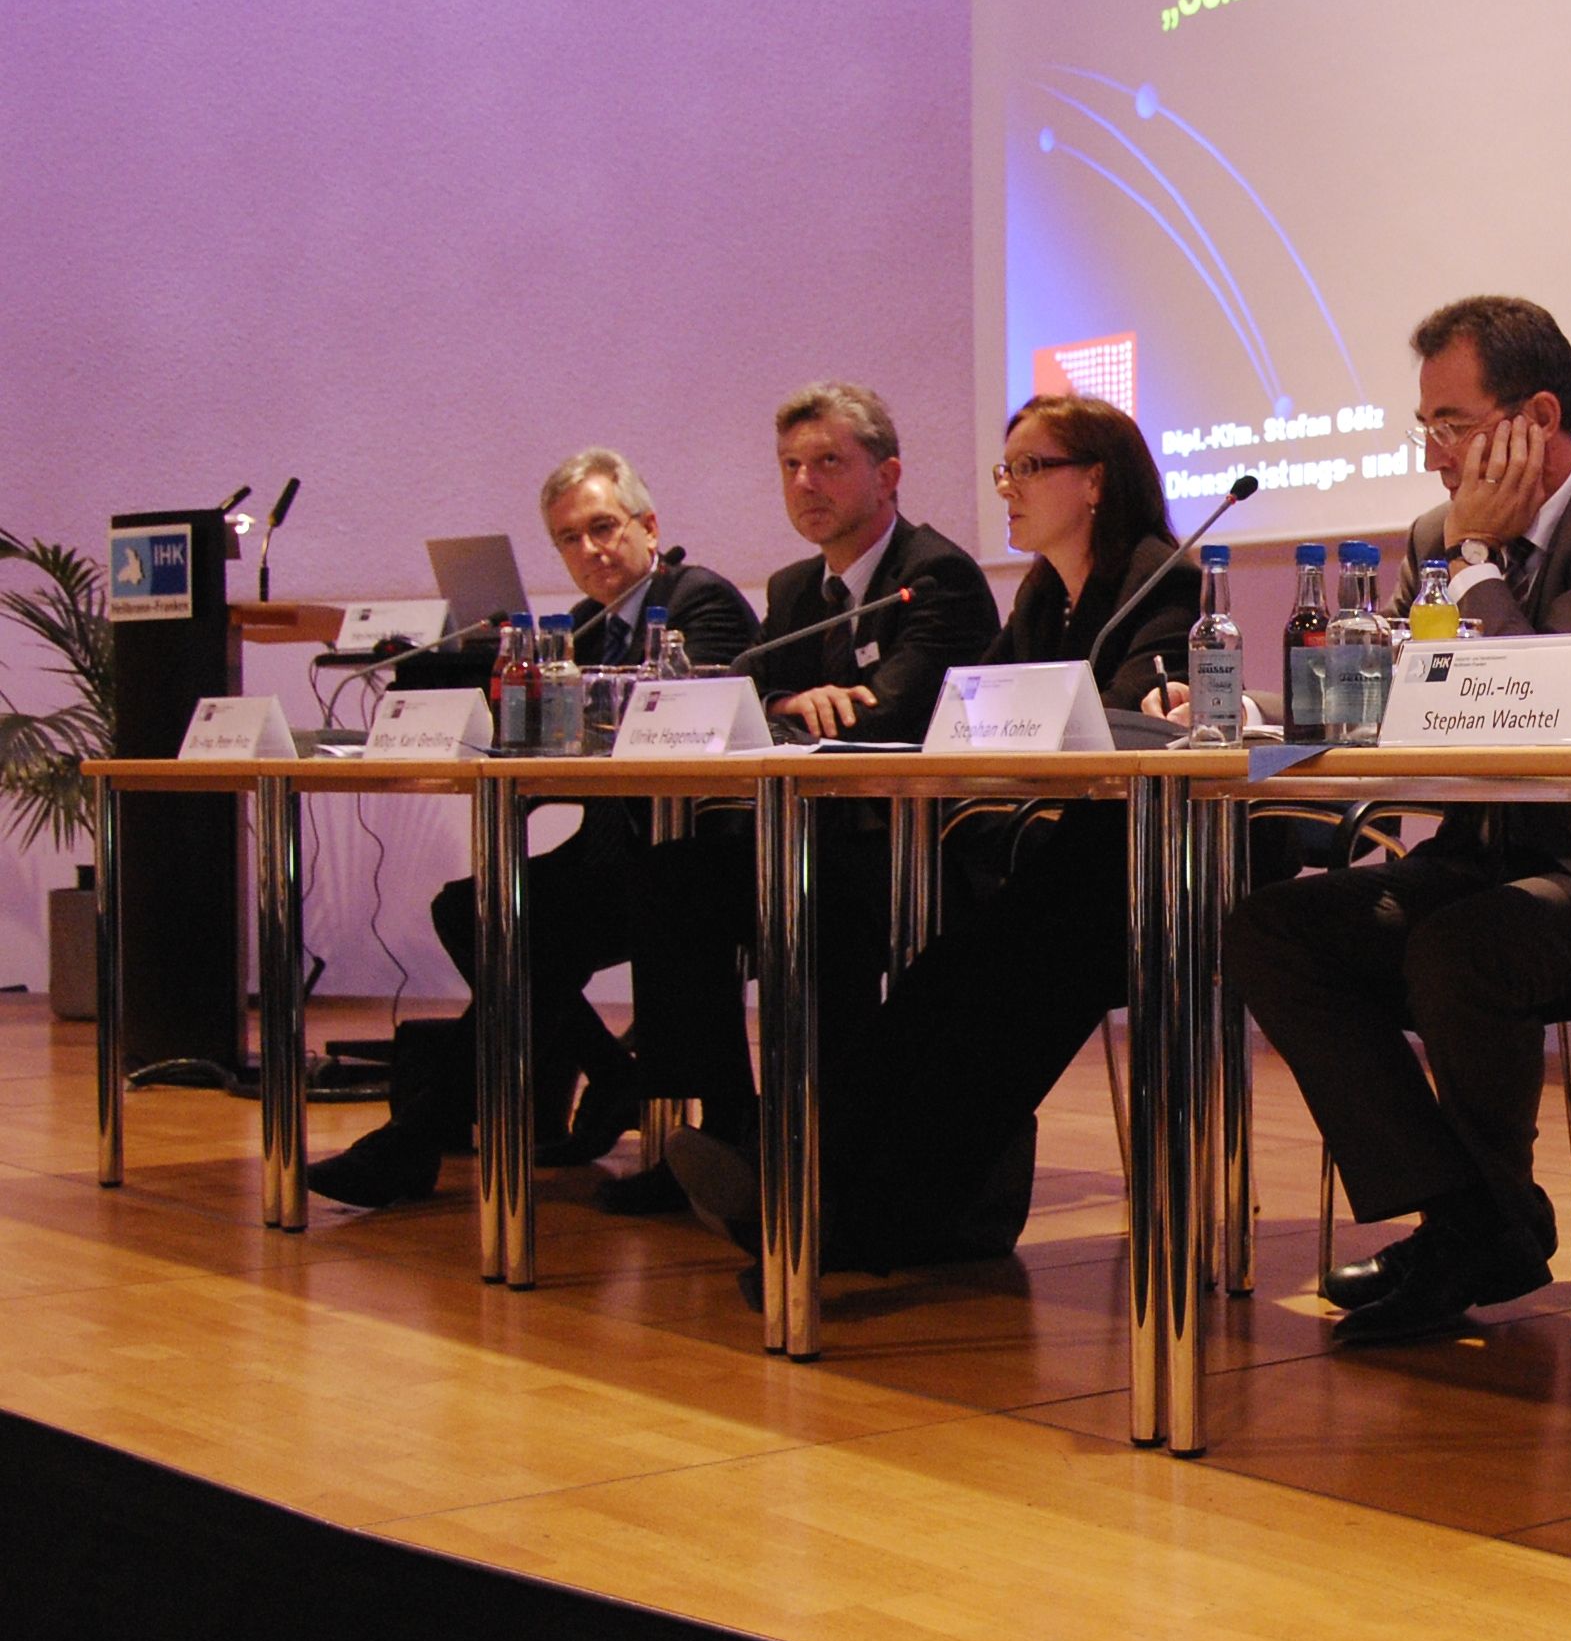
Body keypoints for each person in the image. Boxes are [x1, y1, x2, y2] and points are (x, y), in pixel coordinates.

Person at [1225, 296, 1571, 1344]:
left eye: (1452, 424)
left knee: (1463, 946)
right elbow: (1404, 698)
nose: (1435, 456)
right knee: (1275, 925)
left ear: (1537, 417)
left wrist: (1477, 558)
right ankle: (1473, 1217)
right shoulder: (1429, 537)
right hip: (1475, 858)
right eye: (1426, 427)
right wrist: (1248, 717)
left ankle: (1470, 1231)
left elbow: (1544, 712)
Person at [664, 395, 1196, 1276]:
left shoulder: (1159, 580)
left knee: (986, 996)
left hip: (1139, 877)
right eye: (1005, 469)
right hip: (1056, 869)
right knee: (937, 989)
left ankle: (839, 1213)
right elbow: (966, 711)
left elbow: (1122, 724)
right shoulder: (1044, 594)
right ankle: (814, 1192)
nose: (1008, 487)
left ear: (1095, 482)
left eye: (1030, 468)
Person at [307, 447, 756, 1208]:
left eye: (603, 527)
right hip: (612, 857)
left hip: (688, 857)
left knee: (528, 943)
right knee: (475, 909)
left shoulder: (698, 600)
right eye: (569, 539)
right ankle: (607, 1075)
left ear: (649, 526)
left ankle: (416, 1139)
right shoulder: (578, 628)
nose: (590, 550)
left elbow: (680, 721)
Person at [607, 380, 1000, 1214]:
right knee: (670, 879)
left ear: (888, 475)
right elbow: (743, 693)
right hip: (816, 841)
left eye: (828, 462)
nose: (804, 483)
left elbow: (885, 715)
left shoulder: (936, 576)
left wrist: (784, 708)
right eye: (790, 465)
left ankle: (827, 1159)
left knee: (811, 910)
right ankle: (726, 1131)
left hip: (917, 852)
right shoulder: (793, 589)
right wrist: (790, 702)